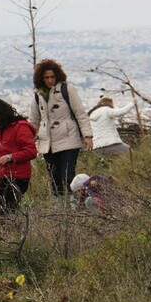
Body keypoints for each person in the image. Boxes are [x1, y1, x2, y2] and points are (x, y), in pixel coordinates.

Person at [28, 59, 94, 198]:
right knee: (54, 178)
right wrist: (28, 140)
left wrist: (87, 135)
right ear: (41, 78)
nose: (50, 80)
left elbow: (80, 112)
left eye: (52, 77)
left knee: (68, 175)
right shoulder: (38, 95)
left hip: (68, 138)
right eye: (47, 77)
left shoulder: (67, 89)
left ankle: (75, 204)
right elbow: (34, 120)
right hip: (48, 143)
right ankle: (59, 209)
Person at [0, 99, 37, 215]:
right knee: (5, 210)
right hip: (4, 176)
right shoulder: (1, 131)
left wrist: (10, 157)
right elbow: (0, 156)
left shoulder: (20, 128)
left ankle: (9, 230)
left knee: (7, 211)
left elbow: (31, 151)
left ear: (1, 115)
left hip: (19, 177)